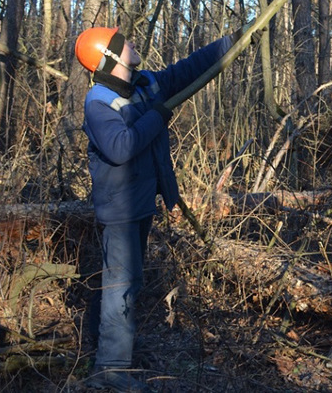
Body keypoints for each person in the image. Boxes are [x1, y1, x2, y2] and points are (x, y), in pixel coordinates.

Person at [76, 25, 250, 392]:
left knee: (121, 282)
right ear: (109, 58)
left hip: (140, 203)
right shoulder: (99, 103)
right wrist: (157, 115)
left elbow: (187, 70)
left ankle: (98, 347)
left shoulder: (145, 84)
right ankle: (110, 370)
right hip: (120, 210)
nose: (133, 43)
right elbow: (122, 147)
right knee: (121, 285)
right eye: (124, 44)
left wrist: (232, 41)